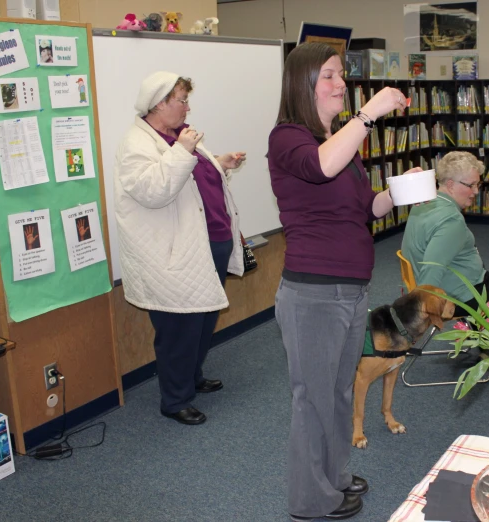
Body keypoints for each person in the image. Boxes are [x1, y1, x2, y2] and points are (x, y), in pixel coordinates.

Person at [268, 42, 409, 521]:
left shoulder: (339, 144)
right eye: (329, 75)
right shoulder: (288, 138)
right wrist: (368, 114)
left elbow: (365, 208)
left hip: (350, 291)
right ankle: (311, 501)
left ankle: (335, 476)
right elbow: (319, 166)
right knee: (312, 399)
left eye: (341, 75)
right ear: (302, 84)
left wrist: (396, 192)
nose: (341, 84)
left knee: (339, 393)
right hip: (313, 294)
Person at [114, 71, 246, 426]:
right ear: (158, 104)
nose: (188, 107)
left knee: (203, 321)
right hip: (174, 254)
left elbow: (191, 180)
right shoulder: (136, 143)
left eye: (187, 99)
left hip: (210, 244)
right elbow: (154, 190)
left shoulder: (178, 135)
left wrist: (219, 163)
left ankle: (192, 377)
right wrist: (184, 149)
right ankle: (175, 399)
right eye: (182, 100)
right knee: (178, 331)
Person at [402, 151, 489, 317]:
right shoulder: (451, 220)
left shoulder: (422, 203)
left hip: (455, 283)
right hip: (461, 295)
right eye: (471, 185)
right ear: (450, 185)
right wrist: (424, 309)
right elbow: (432, 268)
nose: (476, 192)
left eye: (478, 185)